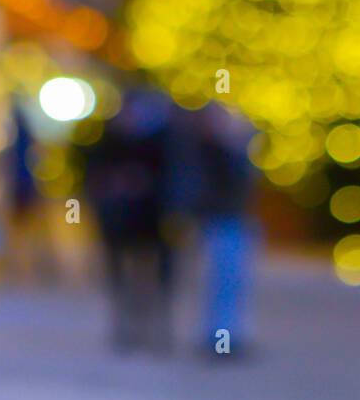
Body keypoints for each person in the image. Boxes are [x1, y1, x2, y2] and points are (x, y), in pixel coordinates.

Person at [85, 87, 178, 351]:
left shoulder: (161, 143)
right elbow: (93, 177)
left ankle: (156, 330)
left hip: (154, 222)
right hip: (119, 222)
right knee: (122, 277)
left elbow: (172, 180)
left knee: (156, 278)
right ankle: (127, 330)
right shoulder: (108, 143)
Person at [192, 105, 257, 355]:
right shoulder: (210, 152)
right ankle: (220, 339)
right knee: (221, 282)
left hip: (234, 221)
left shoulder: (227, 151)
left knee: (233, 283)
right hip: (220, 222)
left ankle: (230, 336)